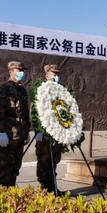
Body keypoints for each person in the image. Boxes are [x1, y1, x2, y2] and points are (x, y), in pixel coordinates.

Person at [0, 61, 30, 187]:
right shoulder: (5, 88)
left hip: (20, 135)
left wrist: (27, 131)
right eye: (18, 70)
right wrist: (1, 132)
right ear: (11, 72)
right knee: (5, 169)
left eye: (22, 70)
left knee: (15, 168)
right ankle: (3, 196)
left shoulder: (22, 90)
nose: (21, 73)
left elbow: (24, 113)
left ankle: (11, 196)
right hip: (7, 135)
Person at [33, 64, 66, 194]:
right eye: (53, 74)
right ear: (46, 75)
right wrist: (38, 131)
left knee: (55, 160)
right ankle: (45, 189)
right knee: (44, 161)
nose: (55, 76)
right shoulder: (40, 90)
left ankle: (52, 188)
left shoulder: (60, 91)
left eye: (57, 74)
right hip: (44, 133)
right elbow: (35, 113)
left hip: (56, 134)